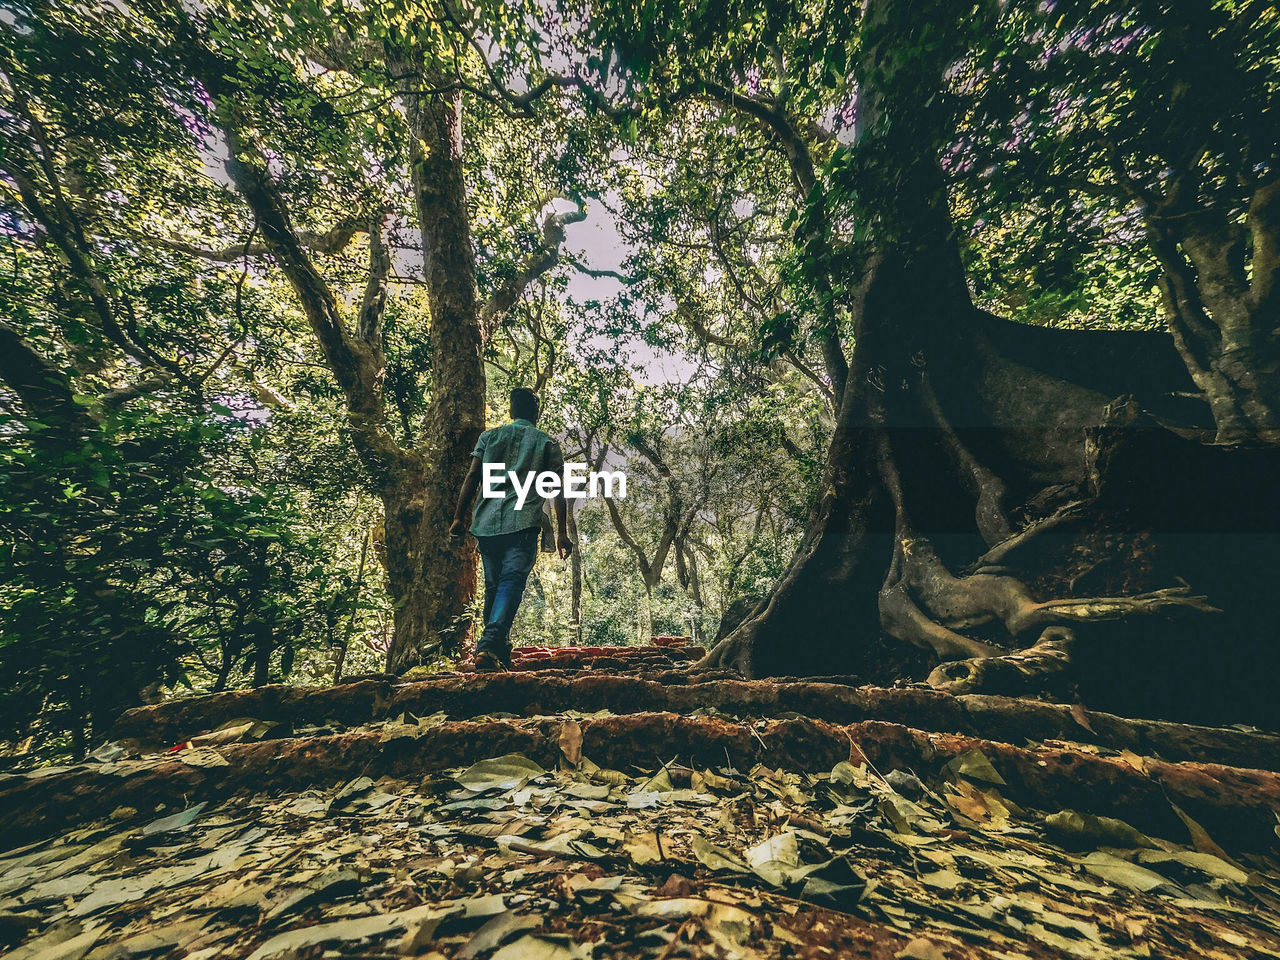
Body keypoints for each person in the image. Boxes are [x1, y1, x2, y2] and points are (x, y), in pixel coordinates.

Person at [450, 388, 572, 671]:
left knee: (494, 586)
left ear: (510, 411)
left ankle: (497, 651)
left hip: (487, 523)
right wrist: (562, 532)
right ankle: (490, 644)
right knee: (511, 582)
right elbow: (558, 489)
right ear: (536, 414)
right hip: (524, 523)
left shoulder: (489, 437)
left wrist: (459, 517)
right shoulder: (545, 442)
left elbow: (472, 476)